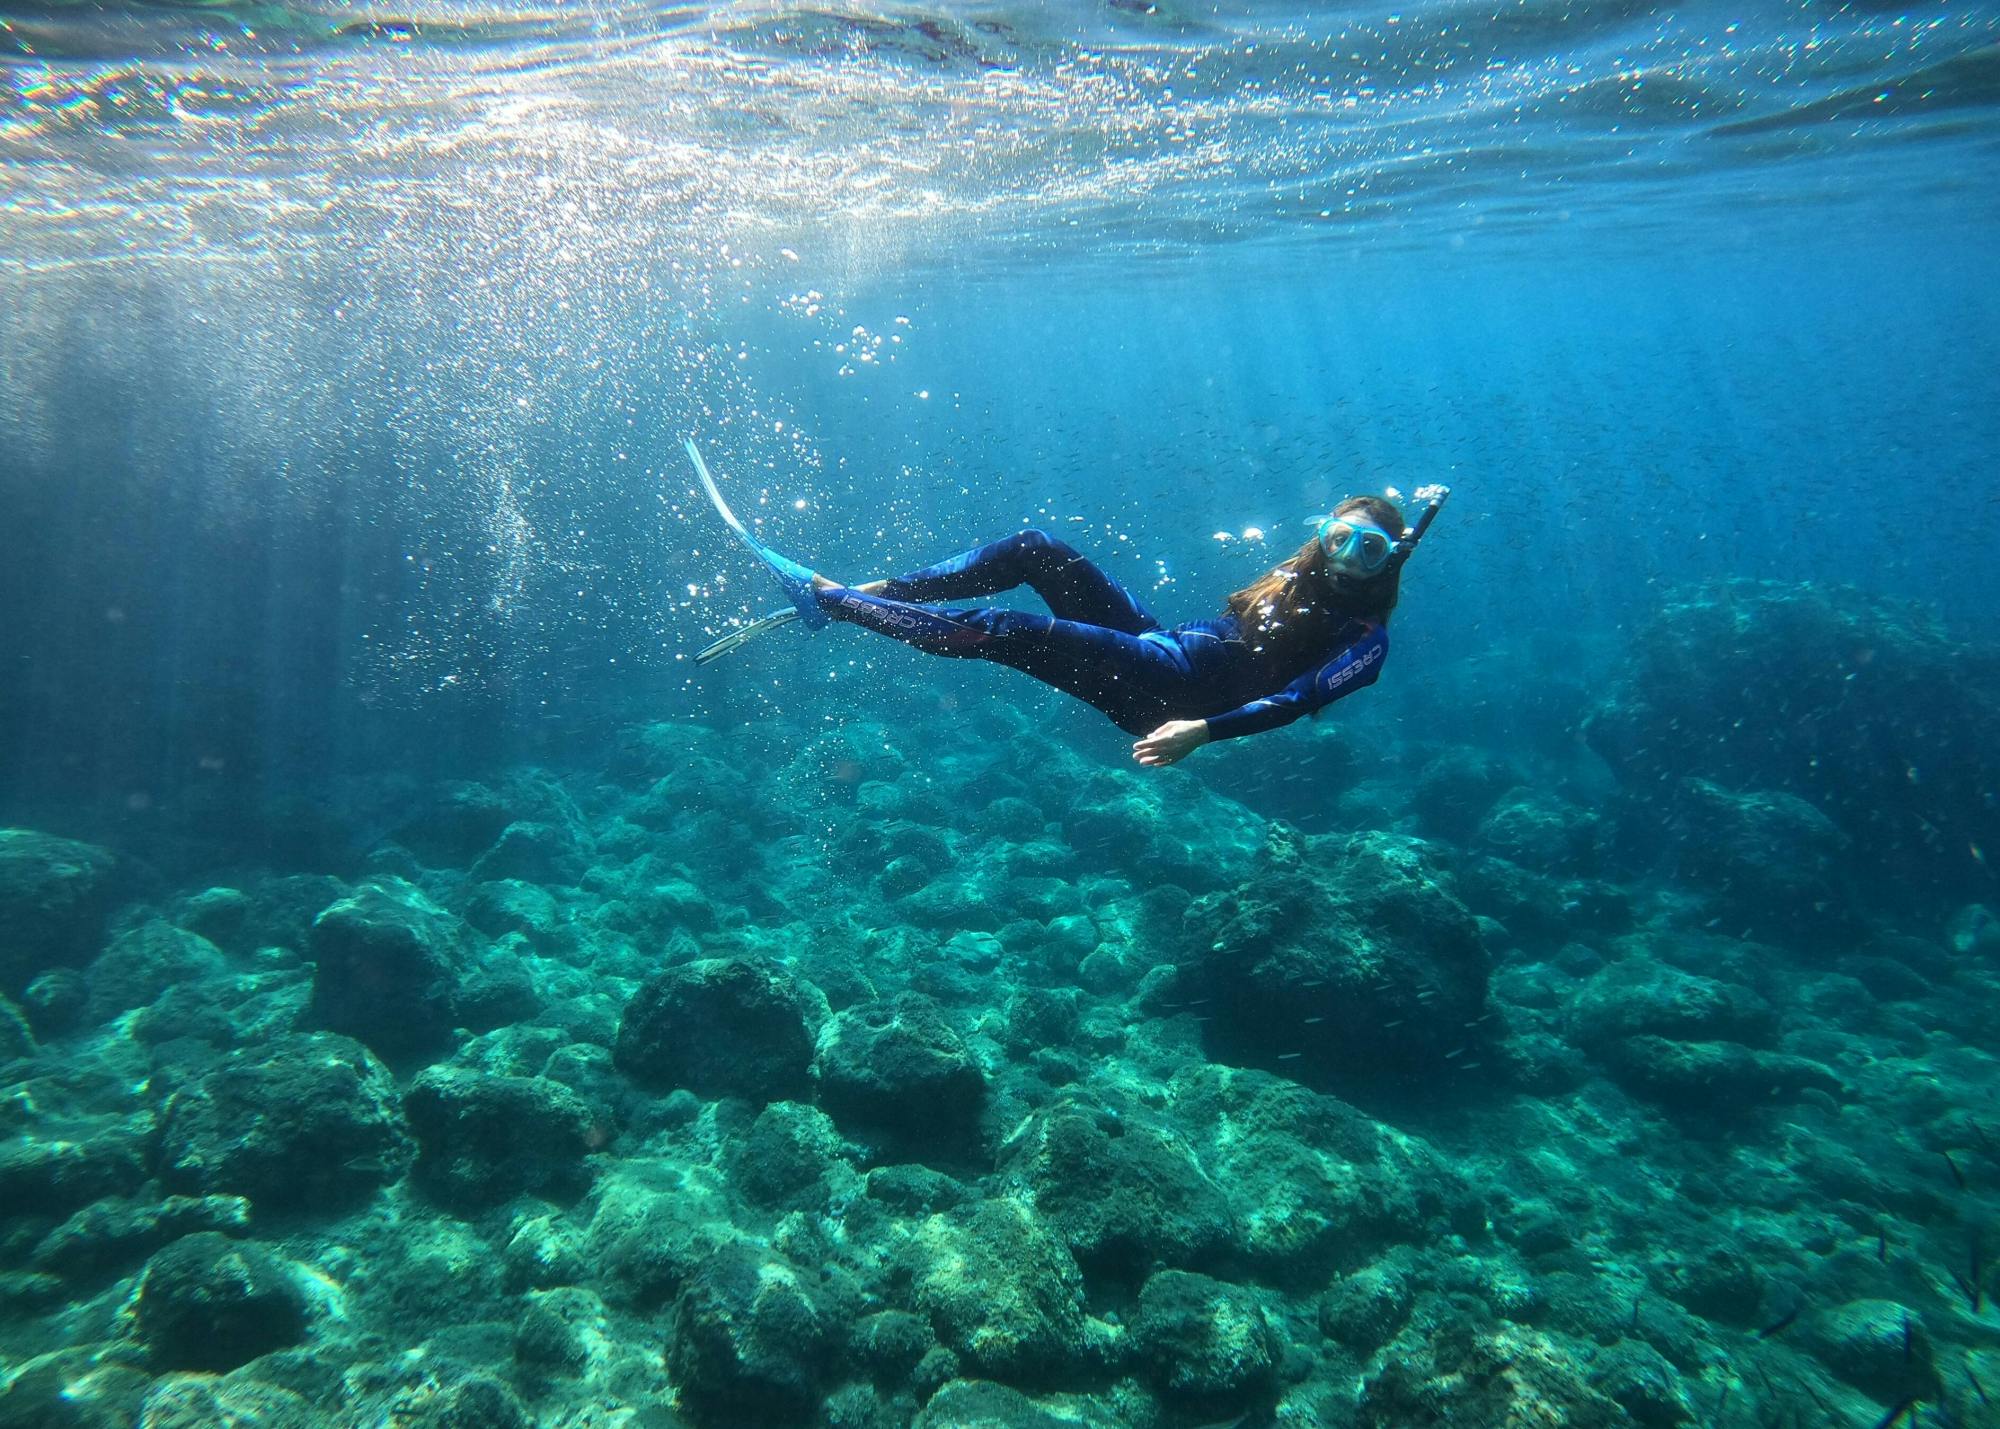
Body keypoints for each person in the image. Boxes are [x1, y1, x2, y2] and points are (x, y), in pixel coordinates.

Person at [802, 497, 1409, 767]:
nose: (1350, 555)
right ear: (1322, 535)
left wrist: (1202, 731)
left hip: (1173, 694)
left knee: (1007, 629)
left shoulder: (1366, 641)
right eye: (1340, 537)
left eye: (1371, 548)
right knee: (1036, 549)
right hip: (1158, 648)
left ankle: (845, 605)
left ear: (1389, 560)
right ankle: (883, 593)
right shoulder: (1300, 574)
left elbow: (1297, 700)